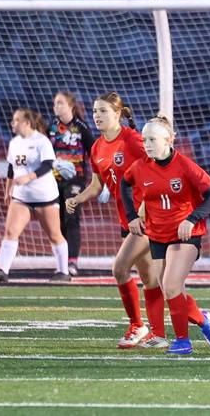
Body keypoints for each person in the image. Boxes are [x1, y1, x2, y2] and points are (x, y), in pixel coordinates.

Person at [65, 92, 165, 349]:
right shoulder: (97, 147)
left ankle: (138, 326)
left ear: (118, 114)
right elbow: (96, 186)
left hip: (147, 217)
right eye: (95, 111)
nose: (97, 116)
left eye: (103, 111)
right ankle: (176, 325)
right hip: (128, 219)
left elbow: (159, 168)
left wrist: (146, 206)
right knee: (151, 279)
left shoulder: (133, 140)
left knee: (119, 269)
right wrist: (77, 199)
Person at [121, 114, 210, 355]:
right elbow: (125, 185)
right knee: (168, 289)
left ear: (169, 140)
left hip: (186, 232)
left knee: (171, 284)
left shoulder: (184, 165)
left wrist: (191, 219)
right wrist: (132, 216)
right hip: (157, 234)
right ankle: (201, 318)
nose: (147, 144)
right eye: (145, 139)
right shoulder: (140, 167)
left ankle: (183, 342)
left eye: (152, 139)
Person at [0, 108, 71, 282]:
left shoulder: (41, 141)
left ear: (26, 122)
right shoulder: (14, 142)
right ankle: (3, 271)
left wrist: (28, 177)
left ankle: (63, 272)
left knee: (54, 234)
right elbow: (11, 168)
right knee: (10, 231)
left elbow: (48, 165)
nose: (12, 123)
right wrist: (7, 190)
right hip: (21, 197)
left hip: (44, 197)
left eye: (16, 120)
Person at [48, 91, 94, 276]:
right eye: (55, 104)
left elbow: (94, 152)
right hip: (53, 180)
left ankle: (73, 262)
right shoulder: (51, 126)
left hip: (75, 180)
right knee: (57, 221)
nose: (56, 107)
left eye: (60, 103)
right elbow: (43, 151)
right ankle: (62, 261)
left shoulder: (81, 127)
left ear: (70, 106)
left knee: (71, 217)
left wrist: (103, 179)